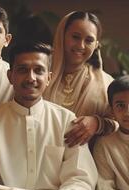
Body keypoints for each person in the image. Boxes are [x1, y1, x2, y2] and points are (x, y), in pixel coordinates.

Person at [0, 42, 97, 190]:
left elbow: (82, 177)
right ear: (10, 76)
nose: (31, 78)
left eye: (39, 70)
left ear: (48, 78)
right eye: (23, 70)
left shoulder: (67, 121)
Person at [43, 11, 117, 148]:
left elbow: (121, 124)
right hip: (38, 157)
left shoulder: (106, 84)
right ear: (62, 36)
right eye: (75, 37)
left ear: (96, 45)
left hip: (83, 164)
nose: (81, 45)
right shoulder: (38, 73)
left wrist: (97, 123)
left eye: (89, 40)